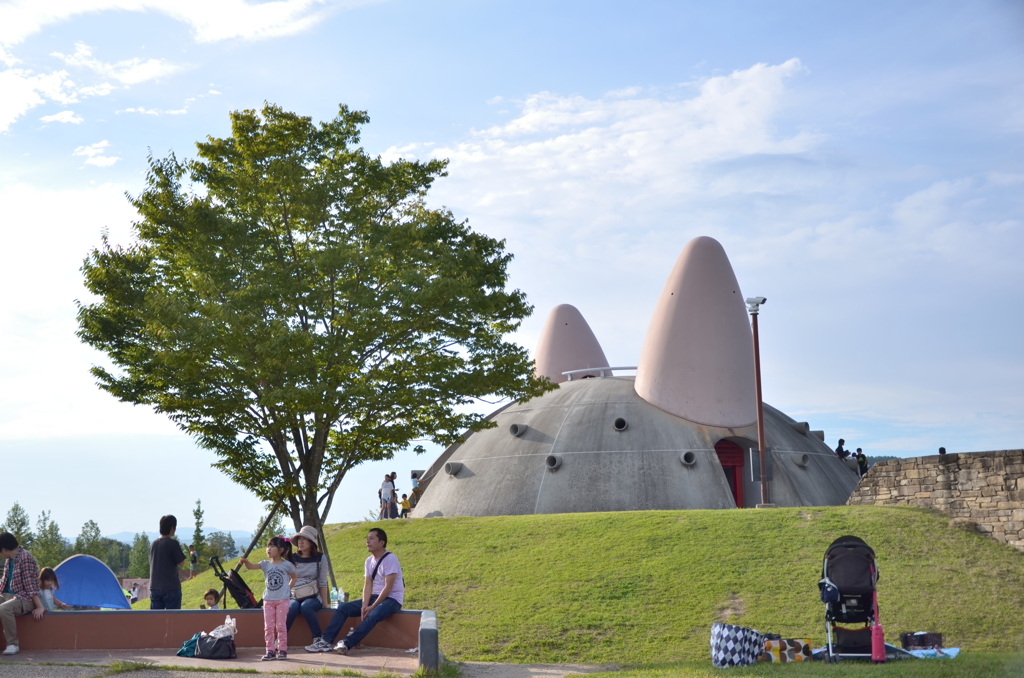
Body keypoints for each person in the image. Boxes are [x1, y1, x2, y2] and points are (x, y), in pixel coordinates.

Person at [305, 527, 404, 655]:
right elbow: (368, 585)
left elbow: (388, 587)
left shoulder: (391, 559)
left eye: (372, 538)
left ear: (382, 542)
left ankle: (347, 643)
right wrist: (364, 605)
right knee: (343, 608)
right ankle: (325, 641)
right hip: (375, 597)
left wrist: (372, 606)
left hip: (392, 599)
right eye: (367, 538)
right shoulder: (369, 561)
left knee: (373, 615)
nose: (367, 541)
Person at [241, 536, 296, 661]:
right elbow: (251, 567)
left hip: (283, 600)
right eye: (268, 546)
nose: (268, 549)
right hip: (268, 600)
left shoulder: (287, 565)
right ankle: (270, 650)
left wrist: (288, 589)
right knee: (268, 627)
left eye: (272, 546)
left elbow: (294, 577)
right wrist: (246, 562)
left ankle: (282, 650)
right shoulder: (265, 564)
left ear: (281, 549)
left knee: (281, 626)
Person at [0, 531, 45, 655]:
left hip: (25, 598)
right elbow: (4, 584)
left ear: (3, 549)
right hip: (8, 595)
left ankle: (13, 644)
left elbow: (31, 586)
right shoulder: (9, 560)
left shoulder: (25, 557)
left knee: (4, 609)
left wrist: (40, 607)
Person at [286, 526, 330, 646]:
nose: (301, 542)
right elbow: (286, 579)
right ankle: (280, 639)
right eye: (299, 539)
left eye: (304, 539)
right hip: (294, 594)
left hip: (313, 595)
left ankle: (317, 638)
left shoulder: (320, 558)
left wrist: (325, 603)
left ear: (312, 542)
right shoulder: (292, 558)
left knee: (306, 606)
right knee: (293, 607)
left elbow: (322, 581)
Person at [149, 515, 186, 610]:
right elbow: (181, 562)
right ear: (172, 528)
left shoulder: (153, 543)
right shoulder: (173, 543)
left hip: (155, 586)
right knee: (173, 619)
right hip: (171, 586)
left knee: (156, 619)